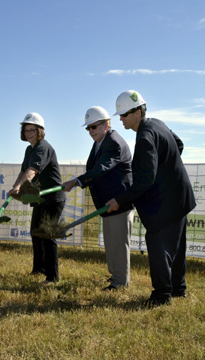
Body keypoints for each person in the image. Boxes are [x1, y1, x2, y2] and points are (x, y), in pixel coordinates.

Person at [105, 90, 196, 307]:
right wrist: (166, 172)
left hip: (164, 203)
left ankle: (161, 296)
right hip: (179, 198)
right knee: (177, 246)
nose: (121, 119)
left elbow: (144, 181)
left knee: (158, 247)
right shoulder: (158, 124)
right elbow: (178, 144)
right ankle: (178, 288)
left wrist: (119, 200)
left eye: (125, 114)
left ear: (138, 112)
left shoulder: (145, 136)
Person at [63, 106, 134, 290]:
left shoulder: (113, 143)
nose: (91, 131)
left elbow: (101, 168)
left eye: (94, 126)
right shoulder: (100, 142)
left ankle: (120, 283)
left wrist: (76, 182)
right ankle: (116, 278)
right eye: (88, 128)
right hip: (108, 203)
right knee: (111, 243)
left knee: (118, 244)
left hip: (119, 202)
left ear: (107, 124)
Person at [8, 113, 66, 286]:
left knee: (48, 236)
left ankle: (52, 277)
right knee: (35, 232)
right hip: (41, 198)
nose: (29, 133)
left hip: (53, 198)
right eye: (26, 130)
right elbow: (23, 171)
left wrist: (20, 186)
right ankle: (38, 269)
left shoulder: (43, 147)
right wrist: (17, 185)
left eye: (32, 130)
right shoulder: (30, 149)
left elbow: (32, 171)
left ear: (40, 131)